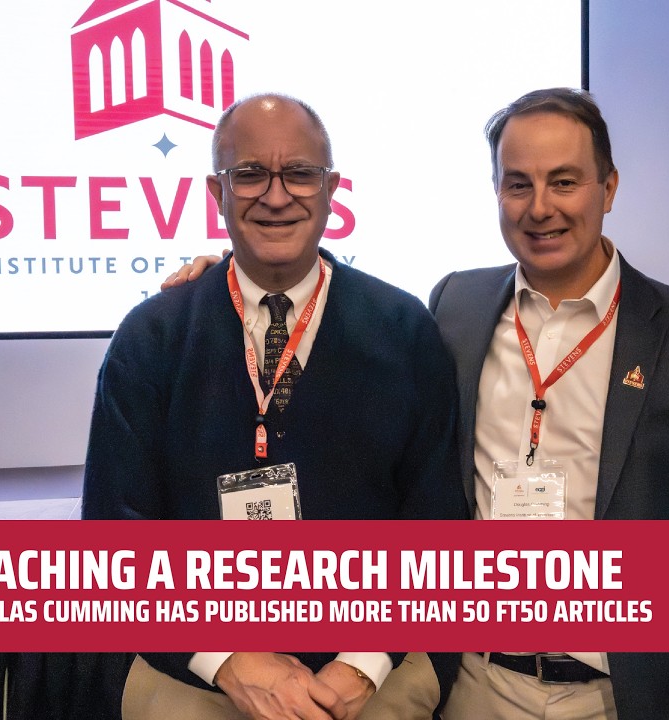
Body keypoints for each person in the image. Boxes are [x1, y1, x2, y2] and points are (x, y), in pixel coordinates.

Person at [165, 87, 669, 720]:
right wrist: (226, 277)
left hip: (622, 696)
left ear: (609, 188)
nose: (540, 208)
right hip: (475, 687)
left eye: (564, 182)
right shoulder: (456, 308)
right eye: (518, 185)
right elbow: (320, 297)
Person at [83, 92, 467, 720]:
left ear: (332, 189)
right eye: (250, 174)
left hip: (370, 675)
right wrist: (226, 660)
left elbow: (435, 522)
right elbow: (114, 535)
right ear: (217, 192)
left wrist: (363, 664)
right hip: (196, 677)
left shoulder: (404, 330)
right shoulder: (153, 336)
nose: (277, 195)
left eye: (299, 173)